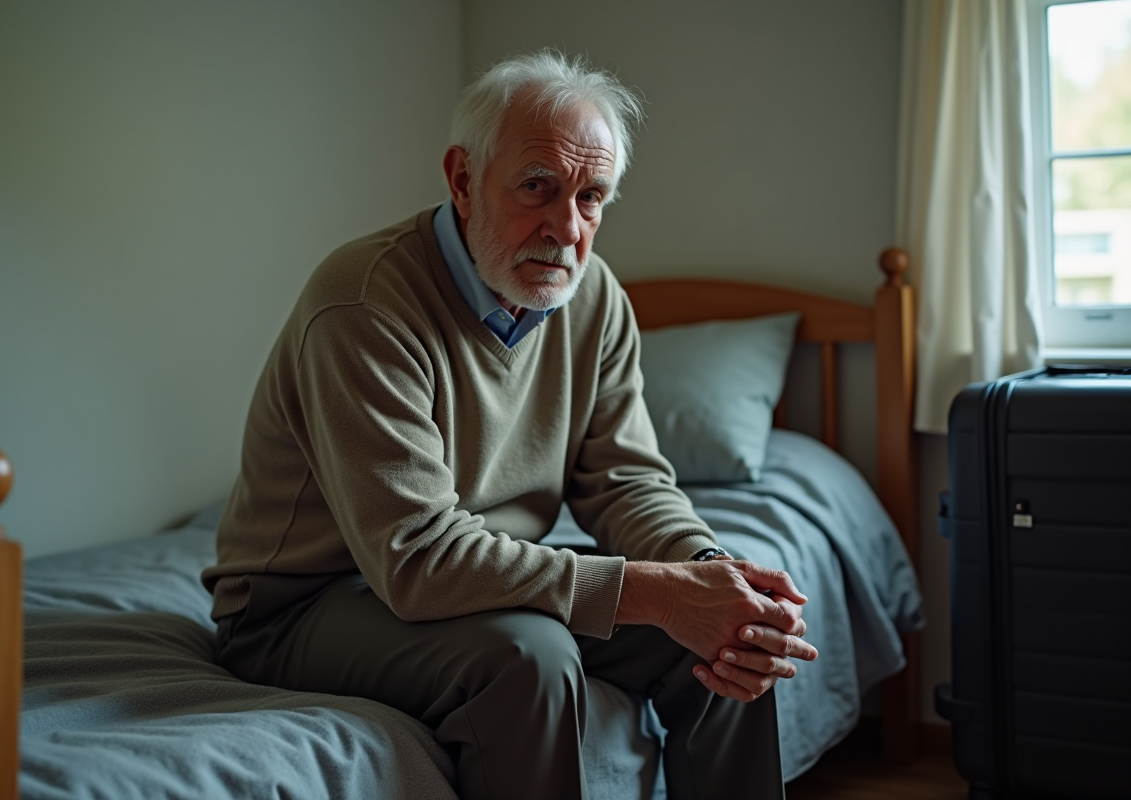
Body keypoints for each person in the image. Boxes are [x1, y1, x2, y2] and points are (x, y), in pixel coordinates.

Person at [202, 49, 817, 800]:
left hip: (481, 578)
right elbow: (417, 558)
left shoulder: (593, 301)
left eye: (592, 197)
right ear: (463, 180)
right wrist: (655, 592)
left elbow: (624, 483)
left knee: (727, 633)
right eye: (538, 187)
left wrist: (706, 575)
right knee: (531, 656)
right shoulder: (363, 305)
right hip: (301, 608)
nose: (566, 228)